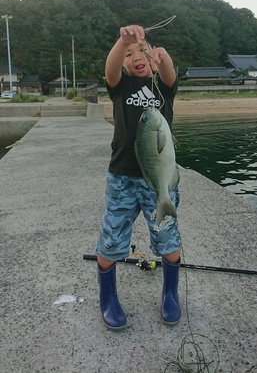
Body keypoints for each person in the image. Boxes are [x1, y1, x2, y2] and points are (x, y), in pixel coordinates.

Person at [95, 24, 181, 330]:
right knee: (110, 244)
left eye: (142, 50)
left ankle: (170, 294)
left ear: (153, 58)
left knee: (168, 241)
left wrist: (163, 55)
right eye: (129, 55)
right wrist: (123, 41)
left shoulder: (164, 89)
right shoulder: (120, 86)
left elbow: (169, 73)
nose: (136, 56)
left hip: (158, 180)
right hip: (121, 179)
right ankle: (108, 299)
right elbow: (111, 69)